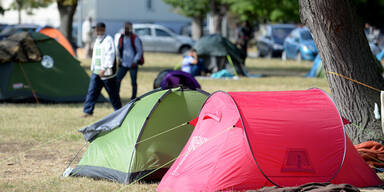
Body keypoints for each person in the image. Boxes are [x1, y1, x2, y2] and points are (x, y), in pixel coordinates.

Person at [83, 22, 122, 117]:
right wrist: (93, 68)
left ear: (102, 29)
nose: (95, 31)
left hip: (107, 73)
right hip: (96, 72)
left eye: (97, 29)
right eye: (95, 29)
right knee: (92, 91)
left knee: (113, 93)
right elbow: (96, 56)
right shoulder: (97, 40)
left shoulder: (108, 40)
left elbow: (111, 55)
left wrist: (104, 68)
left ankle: (119, 112)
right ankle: (88, 111)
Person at [116, 22, 143, 100]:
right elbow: (119, 49)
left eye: (128, 28)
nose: (126, 29)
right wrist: (119, 59)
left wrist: (135, 61)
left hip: (132, 64)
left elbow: (139, 51)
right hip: (123, 63)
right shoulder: (121, 37)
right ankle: (116, 95)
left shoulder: (135, 38)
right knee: (118, 79)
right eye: (125, 28)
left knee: (133, 81)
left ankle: (133, 97)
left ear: (131, 28)